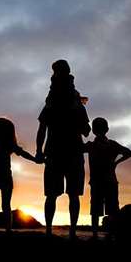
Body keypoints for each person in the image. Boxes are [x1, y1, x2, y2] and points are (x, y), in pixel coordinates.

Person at [35, 59, 91, 239]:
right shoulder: (72, 101)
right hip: (71, 152)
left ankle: (50, 231)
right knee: (71, 195)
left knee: (52, 195)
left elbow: (42, 128)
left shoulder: (52, 100)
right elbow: (86, 131)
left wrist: (38, 151)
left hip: (56, 152)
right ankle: (71, 231)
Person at [84, 117, 131, 239]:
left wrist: (116, 162)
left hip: (104, 182)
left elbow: (128, 152)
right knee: (104, 209)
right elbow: (128, 152)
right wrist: (116, 162)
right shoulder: (104, 145)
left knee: (103, 210)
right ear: (107, 129)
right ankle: (104, 235)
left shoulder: (96, 145)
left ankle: (101, 235)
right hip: (103, 182)